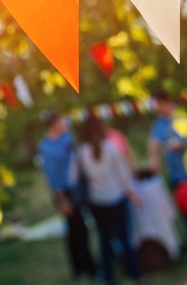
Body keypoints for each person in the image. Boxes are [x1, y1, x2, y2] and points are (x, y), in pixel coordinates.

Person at [72, 114, 143, 285]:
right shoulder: (110, 148)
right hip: (116, 199)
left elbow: (72, 179)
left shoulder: (80, 152)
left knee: (104, 241)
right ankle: (136, 275)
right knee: (125, 239)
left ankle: (109, 278)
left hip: (97, 202)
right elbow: (123, 175)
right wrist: (132, 194)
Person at [37, 113, 97, 280]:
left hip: (78, 189)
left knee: (82, 230)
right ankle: (83, 267)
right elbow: (53, 177)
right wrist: (62, 201)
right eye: (61, 122)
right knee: (76, 231)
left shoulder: (66, 138)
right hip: (65, 193)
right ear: (53, 125)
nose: (65, 124)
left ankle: (87, 265)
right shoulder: (46, 148)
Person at [147, 91, 187, 254]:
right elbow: (154, 143)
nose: (156, 109)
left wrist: (183, 146)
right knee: (185, 209)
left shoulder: (185, 116)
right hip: (176, 174)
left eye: (158, 105)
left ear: (166, 102)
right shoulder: (160, 123)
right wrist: (154, 160)